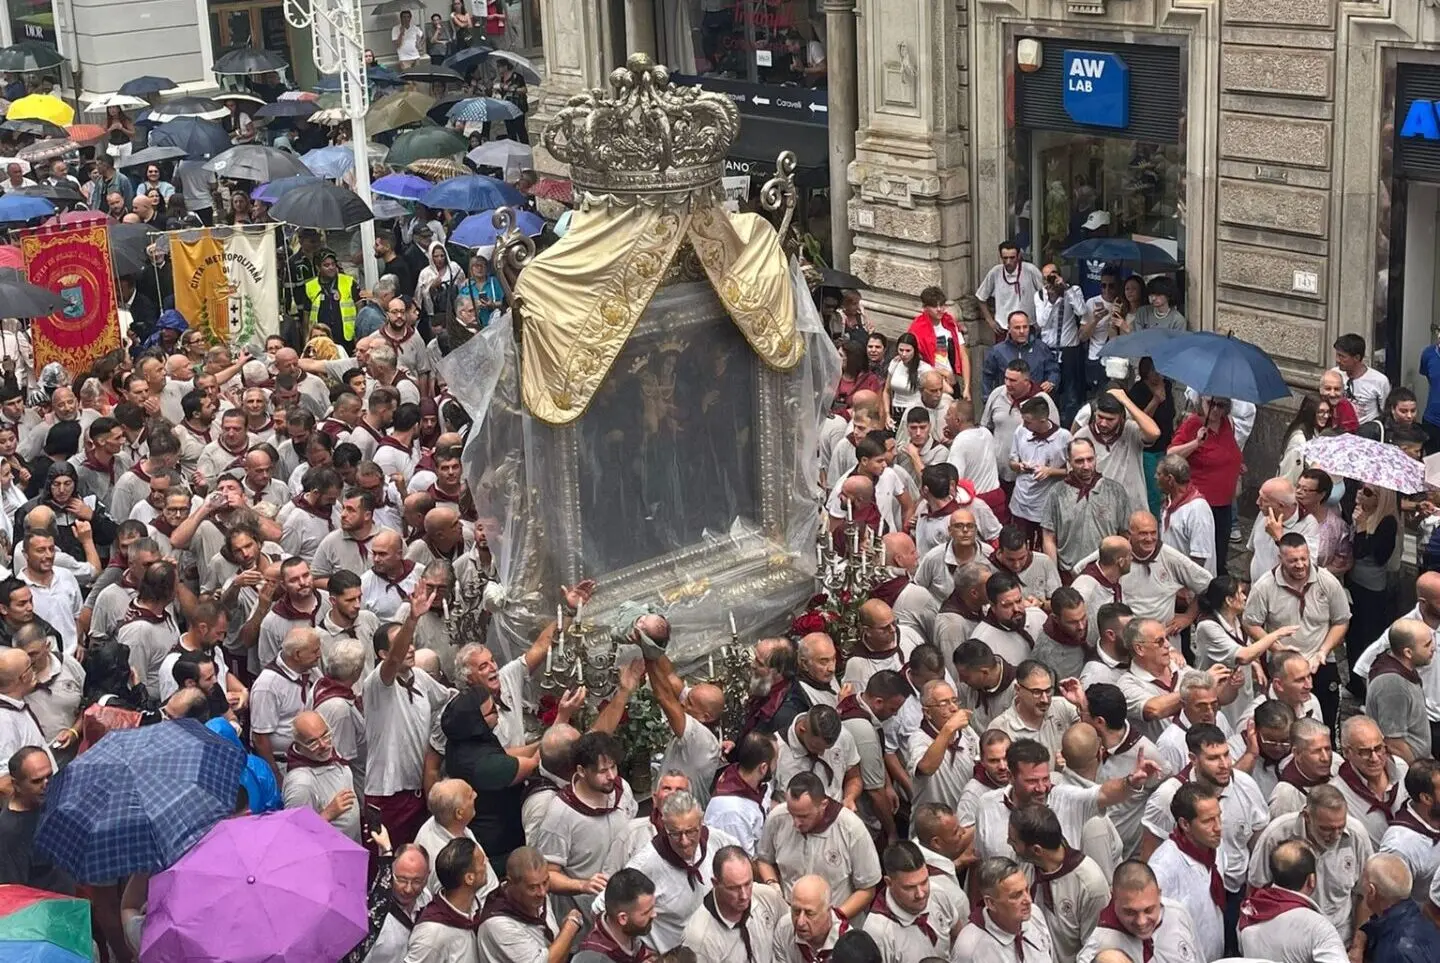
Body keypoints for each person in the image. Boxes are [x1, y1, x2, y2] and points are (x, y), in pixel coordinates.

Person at [1243, 532, 1351, 730]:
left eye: (1304, 558)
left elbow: (1341, 621)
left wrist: (1323, 651)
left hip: (1320, 662)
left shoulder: (1327, 582)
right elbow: (1251, 623)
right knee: (1282, 723)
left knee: (1326, 722)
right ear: (1280, 558)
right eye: (1293, 560)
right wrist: (1278, 649)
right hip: (1284, 668)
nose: (1300, 565)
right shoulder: (1265, 586)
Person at [1246, 785, 1371, 948]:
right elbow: (1255, 890)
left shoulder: (1357, 836)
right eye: (1326, 829)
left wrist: (1357, 947)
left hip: (1340, 941)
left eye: (1341, 827)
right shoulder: (1276, 835)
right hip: (1291, 942)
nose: (1335, 836)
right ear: (1306, 816)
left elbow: (1365, 895)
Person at [1167, 396, 1244, 573]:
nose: (1216, 410)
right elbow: (1171, 454)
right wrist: (1195, 443)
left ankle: (1215, 588)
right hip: (1202, 503)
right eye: (1212, 404)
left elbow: (1228, 450)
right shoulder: (1193, 424)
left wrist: (1236, 464)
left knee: (1220, 549)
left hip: (1224, 502)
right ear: (1202, 401)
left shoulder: (1227, 423)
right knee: (1202, 553)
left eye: (1221, 405)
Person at [1077, 859, 1203, 963]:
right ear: (1113, 897)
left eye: (1149, 910)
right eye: (1130, 912)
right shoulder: (1099, 946)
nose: (1141, 922)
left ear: (1159, 894)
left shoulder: (1178, 914)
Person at [952, 856, 1055, 963]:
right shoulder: (969, 948)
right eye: (1016, 895)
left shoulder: (1035, 914)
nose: (1028, 900)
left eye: (1026, 889)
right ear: (991, 903)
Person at [0, 747, 72, 893]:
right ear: (17, 785)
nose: (46, 784)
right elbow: (15, 892)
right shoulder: (9, 832)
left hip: (73, 901)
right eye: (37, 781)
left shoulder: (53, 802)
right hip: (46, 909)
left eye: (49, 776)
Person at [1367, 618, 1436, 762]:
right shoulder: (1393, 685)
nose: (1434, 647)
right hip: (1408, 770)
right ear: (1408, 653)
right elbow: (1394, 743)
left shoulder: (1400, 667)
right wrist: (1418, 772)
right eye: (1427, 644)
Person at [1362, 852, 1440, 963]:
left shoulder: (1393, 952)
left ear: (1371, 891)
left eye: (1363, 877)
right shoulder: (1417, 915)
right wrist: (1361, 936)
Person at [572, 868, 657, 963]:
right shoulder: (593, 959)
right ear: (623, 918)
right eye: (646, 912)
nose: (654, 914)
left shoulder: (629, 931)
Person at [1332, 333, 1391, 425]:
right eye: (1337, 355)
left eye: (1342, 356)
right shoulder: (1334, 374)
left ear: (1356, 358)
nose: (1337, 360)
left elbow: (1386, 412)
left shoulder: (1379, 381)